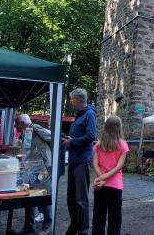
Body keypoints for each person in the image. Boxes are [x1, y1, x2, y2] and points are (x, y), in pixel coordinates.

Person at [62, 88, 97, 235]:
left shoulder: (89, 114)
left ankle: (83, 230)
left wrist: (72, 142)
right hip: (74, 160)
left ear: (79, 100)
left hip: (81, 161)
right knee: (71, 196)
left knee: (81, 198)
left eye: (72, 99)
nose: (71, 102)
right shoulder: (79, 114)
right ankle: (74, 226)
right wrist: (69, 139)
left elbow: (91, 136)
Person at [13, 113, 53, 234]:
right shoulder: (26, 132)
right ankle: (29, 227)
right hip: (32, 167)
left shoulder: (34, 128)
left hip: (43, 167)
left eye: (16, 123)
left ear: (23, 123)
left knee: (43, 194)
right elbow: (26, 151)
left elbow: (53, 137)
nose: (15, 126)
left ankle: (48, 224)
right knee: (30, 194)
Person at [92, 115, 129, 235]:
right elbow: (118, 167)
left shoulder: (99, 144)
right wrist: (104, 178)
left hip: (100, 185)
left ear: (106, 127)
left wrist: (101, 178)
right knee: (115, 219)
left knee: (98, 218)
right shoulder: (123, 145)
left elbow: (95, 164)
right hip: (115, 186)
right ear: (119, 128)